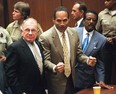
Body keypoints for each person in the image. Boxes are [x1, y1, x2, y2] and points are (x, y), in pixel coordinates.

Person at [39, 6, 96, 94]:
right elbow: (45, 61)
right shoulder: (46, 37)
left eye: (65, 20)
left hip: (72, 80)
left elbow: (79, 54)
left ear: (69, 19)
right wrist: (54, 67)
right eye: (58, 20)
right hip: (56, 83)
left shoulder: (74, 33)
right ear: (53, 20)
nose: (62, 24)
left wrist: (87, 60)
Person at [74, 10, 113, 92]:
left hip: (86, 79)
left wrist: (101, 80)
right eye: (88, 19)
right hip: (71, 76)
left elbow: (100, 62)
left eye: (94, 20)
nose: (91, 22)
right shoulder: (73, 32)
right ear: (84, 20)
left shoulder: (101, 39)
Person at [4, 18, 46, 94]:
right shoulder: (14, 48)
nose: (30, 33)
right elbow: (11, 74)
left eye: (33, 30)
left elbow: (41, 68)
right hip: (25, 91)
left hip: (40, 90)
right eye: (27, 30)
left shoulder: (38, 44)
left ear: (37, 32)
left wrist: (45, 88)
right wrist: (20, 92)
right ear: (22, 31)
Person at [96, 0, 116, 84]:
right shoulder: (101, 14)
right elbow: (96, 31)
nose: (105, 2)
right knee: (106, 70)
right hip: (105, 44)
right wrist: (104, 39)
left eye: (108, 0)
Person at [0, 26, 13, 93]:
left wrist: (6, 57)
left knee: (3, 85)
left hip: (2, 63)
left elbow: (11, 48)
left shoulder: (4, 32)